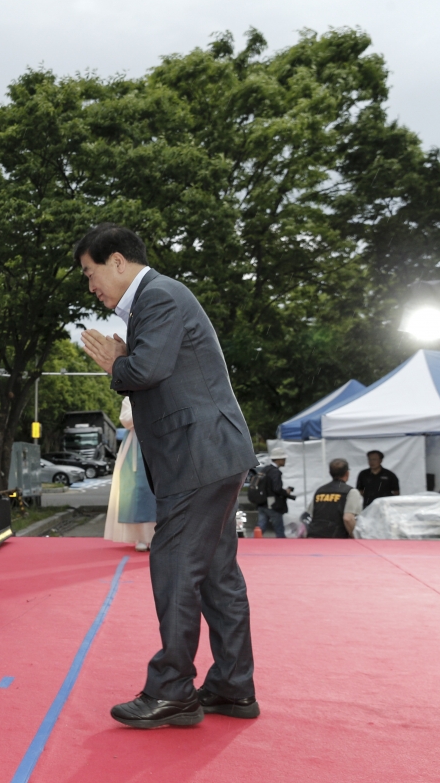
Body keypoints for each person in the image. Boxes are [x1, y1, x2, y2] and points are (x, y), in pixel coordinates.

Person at [79, 223, 259, 729]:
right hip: (212, 454)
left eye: (91, 273)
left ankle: (173, 689)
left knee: (177, 568)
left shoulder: (157, 296)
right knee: (217, 575)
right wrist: (126, 359)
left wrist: (118, 362)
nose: (90, 286)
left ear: (117, 261)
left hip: (197, 457)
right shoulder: (159, 298)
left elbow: (145, 371)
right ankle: (232, 686)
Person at [104, 397, 155, 551]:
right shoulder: (129, 399)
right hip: (135, 447)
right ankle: (139, 538)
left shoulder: (160, 392)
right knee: (136, 492)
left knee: (156, 493)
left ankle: (155, 537)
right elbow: (126, 420)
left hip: (157, 444)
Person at [306, 459, 363, 539]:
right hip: (336, 539)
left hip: (315, 536)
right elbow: (348, 518)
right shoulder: (351, 492)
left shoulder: (320, 490)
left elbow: (310, 515)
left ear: (330, 473)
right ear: (347, 473)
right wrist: (356, 537)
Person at [257, 447, 294, 538]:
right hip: (273, 504)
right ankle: (282, 549)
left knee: (260, 528)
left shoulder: (265, 469)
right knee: (279, 530)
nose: (285, 460)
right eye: (284, 458)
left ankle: (251, 545)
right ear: (279, 459)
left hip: (262, 502)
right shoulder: (276, 472)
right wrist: (286, 492)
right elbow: (276, 489)